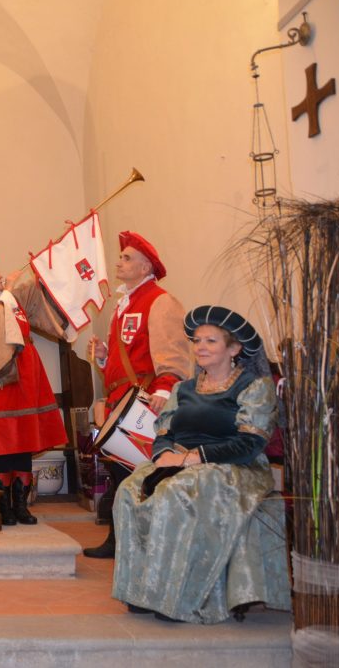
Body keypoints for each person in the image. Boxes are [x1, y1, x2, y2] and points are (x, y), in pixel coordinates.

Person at [112, 305, 291, 623]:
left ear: (234, 348)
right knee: (128, 490)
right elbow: (164, 433)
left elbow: (250, 444)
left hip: (236, 468)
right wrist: (163, 458)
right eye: (196, 341)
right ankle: (141, 591)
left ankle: (178, 596)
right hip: (181, 461)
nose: (200, 348)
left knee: (179, 491)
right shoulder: (183, 388)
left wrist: (190, 459)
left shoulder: (254, 387)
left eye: (210, 341)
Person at [83, 231, 191, 558]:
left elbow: (173, 353)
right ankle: (120, 541)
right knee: (119, 475)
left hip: (145, 402)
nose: (119, 262)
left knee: (145, 475)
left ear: (146, 268)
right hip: (122, 400)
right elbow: (124, 358)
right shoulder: (124, 305)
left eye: (127, 258)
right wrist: (104, 356)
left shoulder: (160, 301)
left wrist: (164, 387)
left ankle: (146, 544)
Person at [0, 254, 77, 526]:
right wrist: (9, 291)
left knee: (23, 437)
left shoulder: (12, 299)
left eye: (0, 271)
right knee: (3, 441)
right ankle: (4, 506)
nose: (0, 275)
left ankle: (21, 505)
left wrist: (48, 264)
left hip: (27, 374)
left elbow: (39, 295)